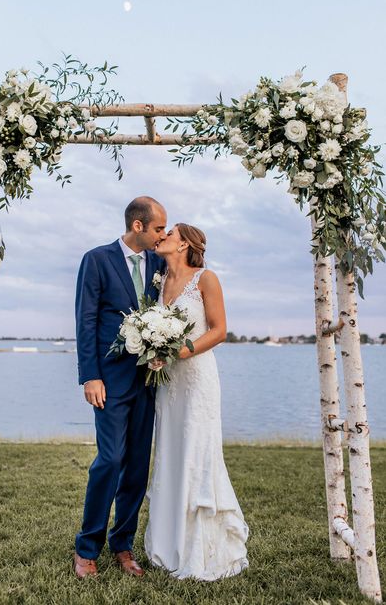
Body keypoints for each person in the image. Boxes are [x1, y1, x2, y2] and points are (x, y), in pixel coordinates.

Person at [145, 223, 249, 580]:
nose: (161, 237)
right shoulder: (159, 281)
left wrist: (179, 350)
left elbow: (219, 330)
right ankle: (168, 542)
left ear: (185, 243)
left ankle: (201, 547)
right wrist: (155, 352)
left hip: (198, 378)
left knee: (196, 450)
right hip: (169, 382)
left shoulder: (206, 278)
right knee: (172, 451)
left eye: (169, 233)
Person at [74, 196, 166, 578]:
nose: (164, 234)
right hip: (109, 380)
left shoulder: (160, 263)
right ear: (138, 226)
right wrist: (90, 376)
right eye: (159, 228)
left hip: (148, 379)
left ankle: (123, 546)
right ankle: (87, 548)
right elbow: (86, 320)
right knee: (109, 460)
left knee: (137, 468)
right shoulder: (97, 259)